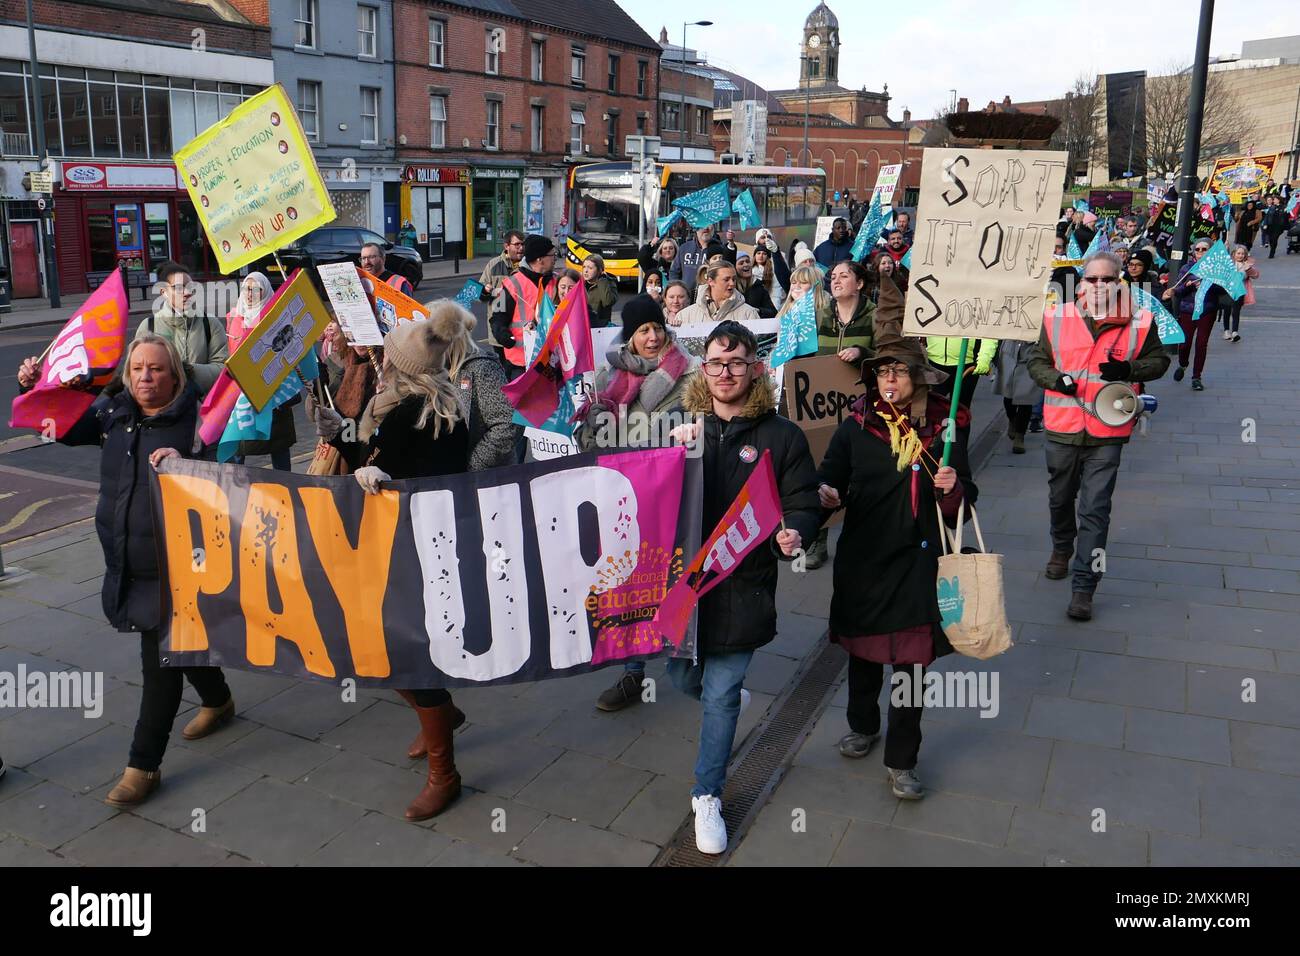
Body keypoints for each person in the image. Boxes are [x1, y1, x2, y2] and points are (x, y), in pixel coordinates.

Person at [17, 335, 235, 808]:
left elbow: (230, 480)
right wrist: (39, 388)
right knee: (177, 650)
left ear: (175, 375)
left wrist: (188, 465)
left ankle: (143, 765)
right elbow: (57, 425)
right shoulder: (113, 413)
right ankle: (218, 701)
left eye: (155, 369)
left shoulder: (200, 422)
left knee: (160, 660)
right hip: (127, 560)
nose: (144, 378)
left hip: (182, 566)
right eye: (137, 368)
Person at [816, 277, 976, 800]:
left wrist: (953, 488)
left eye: (898, 371)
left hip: (919, 568)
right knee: (863, 657)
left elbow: (965, 500)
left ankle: (902, 761)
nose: (889, 380)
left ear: (917, 378)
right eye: (881, 371)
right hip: (864, 562)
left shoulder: (944, 430)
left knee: (910, 670)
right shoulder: (854, 428)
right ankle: (863, 725)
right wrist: (824, 497)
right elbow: (831, 481)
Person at [668, 320, 820, 853]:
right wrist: (670, 452)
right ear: (703, 369)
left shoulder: (782, 437)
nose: (725, 373)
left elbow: (803, 498)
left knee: (720, 693)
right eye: (716, 363)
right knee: (682, 681)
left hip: (743, 586)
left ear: (754, 369)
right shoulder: (682, 425)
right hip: (683, 591)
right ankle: (724, 699)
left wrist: (797, 528)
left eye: (736, 363)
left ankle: (707, 795)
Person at [348, 316, 471, 820]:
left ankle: (445, 773)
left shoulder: (410, 414)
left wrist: (369, 461)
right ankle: (439, 714)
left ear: (402, 369)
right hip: (427, 543)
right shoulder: (435, 406)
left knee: (402, 652)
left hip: (411, 548)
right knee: (391, 649)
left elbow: (386, 461)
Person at [1026, 251, 1169, 621]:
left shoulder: (1140, 320)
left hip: (1108, 430)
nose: (1100, 286)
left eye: (1108, 279)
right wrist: (1055, 379)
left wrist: (1129, 367)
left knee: (1096, 509)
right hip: (1062, 428)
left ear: (1119, 281)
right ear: (1082, 282)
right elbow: (1036, 360)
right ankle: (1061, 547)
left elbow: (1160, 362)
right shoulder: (1056, 317)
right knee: (1060, 498)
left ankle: (1084, 587)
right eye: (1093, 279)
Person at [437, 300, 519, 471]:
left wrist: (472, 467)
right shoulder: (435, 371)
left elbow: (505, 427)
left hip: (487, 480)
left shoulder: (482, 367)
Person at [224, 272, 295, 471]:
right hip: (241, 392)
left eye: (256, 289)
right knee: (239, 444)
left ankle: (286, 487)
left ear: (265, 292)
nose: (250, 294)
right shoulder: (232, 317)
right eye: (247, 288)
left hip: (273, 390)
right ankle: (237, 488)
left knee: (278, 445)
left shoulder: (276, 318)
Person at [137, 260, 227, 395]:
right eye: (178, 288)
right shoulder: (149, 326)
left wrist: (188, 370)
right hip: (161, 408)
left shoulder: (210, 323)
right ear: (163, 292)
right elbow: (138, 370)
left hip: (199, 409)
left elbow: (222, 369)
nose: (187, 292)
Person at [491, 234, 557, 380]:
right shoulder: (511, 284)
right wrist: (503, 335)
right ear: (540, 259)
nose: (555, 258)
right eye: (552, 255)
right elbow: (497, 317)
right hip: (520, 362)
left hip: (552, 359)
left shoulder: (557, 282)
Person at [1165, 238, 1217, 391]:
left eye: (1204, 249)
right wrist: (1180, 289)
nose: (1200, 252)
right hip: (1188, 310)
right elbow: (1179, 290)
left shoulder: (1217, 269)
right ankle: (1183, 364)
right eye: (1198, 249)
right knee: (1185, 343)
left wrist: (1209, 286)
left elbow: (1224, 289)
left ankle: (1196, 377)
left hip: (1206, 310)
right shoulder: (1187, 268)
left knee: (1201, 344)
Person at [674, 260, 762, 327]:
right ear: (710, 281)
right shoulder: (684, 316)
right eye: (726, 279)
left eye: (734, 279)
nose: (732, 283)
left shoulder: (749, 313)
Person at [992, 337, 1042, 454]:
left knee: (1026, 399)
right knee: (1008, 396)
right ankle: (1012, 419)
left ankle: (1020, 436)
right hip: (1009, 351)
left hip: (1031, 353)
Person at [1220, 243, 1258, 343]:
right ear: (1234, 254)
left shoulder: (1247, 265)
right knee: (1227, 311)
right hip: (1227, 291)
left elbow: (1256, 275)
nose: (1240, 255)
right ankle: (1226, 330)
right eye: (1238, 253)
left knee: (1236, 312)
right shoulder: (1229, 263)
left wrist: (1248, 268)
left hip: (1239, 292)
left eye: (1242, 254)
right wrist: (1226, 247)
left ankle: (1235, 332)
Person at [670, 225, 722, 294]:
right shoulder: (684, 248)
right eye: (702, 223)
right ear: (695, 227)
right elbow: (674, 272)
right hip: (686, 298)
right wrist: (676, 290)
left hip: (710, 297)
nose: (705, 228)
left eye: (709, 223)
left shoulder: (720, 250)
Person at [478, 230, 524, 303]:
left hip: (519, 313)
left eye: (523, 244)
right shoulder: (493, 264)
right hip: (497, 312)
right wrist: (485, 290)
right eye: (517, 244)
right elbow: (479, 293)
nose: (521, 248)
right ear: (506, 246)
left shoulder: (528, 265)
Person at [733, 251, 777, 318]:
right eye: (741, 263)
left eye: (748, 261)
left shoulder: (759, 286)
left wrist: (758, 311)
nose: (746, 265)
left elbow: (773, 312)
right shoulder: (732, 288)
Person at [581, 254, 618, 328]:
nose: (586, 271)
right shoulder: (580, 283)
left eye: (590, 268)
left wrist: (602, 281)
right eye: (584, 267)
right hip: (582, 324)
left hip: (600, 326)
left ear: (600, 270)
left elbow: (608, 301)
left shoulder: (608, 283)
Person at [1261, 195, 1287, 259]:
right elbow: (1267, 216)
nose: (1273, 201)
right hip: (1270, 226)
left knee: (1274, 238)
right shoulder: (1272, 207)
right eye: (1274, 199)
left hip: (1278, 227)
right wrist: (1265, 224)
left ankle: (1272, 252)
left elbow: (1285, 217)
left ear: (1278, 200)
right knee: (1271, 239)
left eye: (1275, 199)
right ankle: (1272, 248)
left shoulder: (1283, 207)